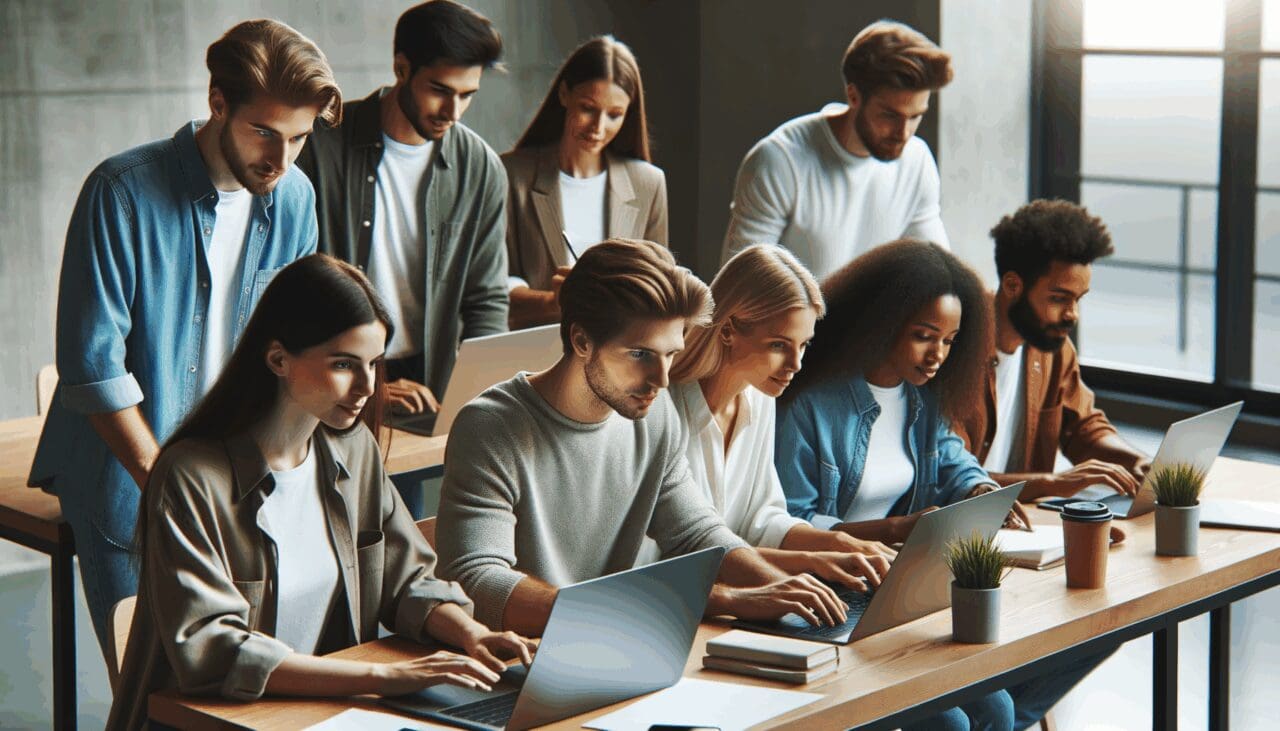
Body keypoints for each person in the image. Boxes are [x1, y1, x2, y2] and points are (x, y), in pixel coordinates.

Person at [106, 255, 535, 730]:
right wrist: (383, 676)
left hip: (316, 716)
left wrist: (472, 635)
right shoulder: (189, 477)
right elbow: (216, 652)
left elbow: (407, 579)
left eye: (374, 364)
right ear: (277, 359)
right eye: (343, 365)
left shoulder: (354, 451)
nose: (367, 387)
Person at [27, 19, 341, 658]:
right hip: (128, 476)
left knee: (242, 684)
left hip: (235, 478)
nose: (280, 161)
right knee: (150, 686)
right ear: (217, 104)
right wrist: (165, 484)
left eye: (300, 139)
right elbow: (92, 365)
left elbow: (291, 347)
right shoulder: (120, 192)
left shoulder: (297, 197)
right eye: (264, 133)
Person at [435, 239, 849, 637]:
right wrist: (727, 599)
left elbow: (697, 532)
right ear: (581, 341)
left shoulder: (654, 415)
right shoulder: (490, 427)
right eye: (640, 355)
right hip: (516, 659)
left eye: (671, 354)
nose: (662, 379)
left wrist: (784, 592)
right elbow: (477, 580)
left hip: (627, 638)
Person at [776, 240, 1095, 731]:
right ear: (883, 325)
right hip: (829, 597)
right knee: (955, 723)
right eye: (925, 336)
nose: (938, 356)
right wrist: (899, 527)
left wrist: (978, 490)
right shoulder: (811, 405)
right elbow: (792, 524)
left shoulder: (921, 398)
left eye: (949, 341)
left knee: (1002, 705)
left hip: (896, 588)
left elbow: (953, 460)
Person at [633, 244, 894, 589]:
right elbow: (684, 552)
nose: (795, 365)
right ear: (727, 330)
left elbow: (762, 520)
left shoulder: (760, 397)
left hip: (737, 594)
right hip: (673, 603)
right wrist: (811, 561)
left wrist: (838, 544)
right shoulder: (659, 408)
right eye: (778, 345)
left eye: (803, 345)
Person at [297, 0, 509, 423]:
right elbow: (289, 286)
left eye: (467, 95)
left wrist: (478, 397)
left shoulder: (480, 168)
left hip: (426, 383)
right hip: (327, 380)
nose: (453, 112)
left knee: (407, 492)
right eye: (440, 90)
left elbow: (485, 300)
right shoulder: (318, 147)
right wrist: (364, 377)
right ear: (401, 68)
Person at [721, 20, 953, 280]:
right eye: (889, 115)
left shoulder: (916, 160)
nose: (904, 133)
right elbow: (738, 292)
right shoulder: (779, 161)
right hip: (794, 321)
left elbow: (940, 277)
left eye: (915, 116)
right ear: (853, 96)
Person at [953, 200, 1151, 501]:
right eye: (1059, 298)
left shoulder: (1053, 349)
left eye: (1078, 300)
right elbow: (950, 477)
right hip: (963, 531)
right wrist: (1051, 483)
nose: (1073, 315)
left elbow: (1083, 427)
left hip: (1026, 522)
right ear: (1012, 285)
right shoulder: (953, 349)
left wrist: (1134, 460)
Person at [503, 35, 667, 329]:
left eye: (615, 115)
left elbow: (659, 289)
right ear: (564, 94)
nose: (598, 128)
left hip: (620, 362)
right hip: (534, 357)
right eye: (588, 108)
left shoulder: (648, 183)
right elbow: (492, 289)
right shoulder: (511, 174)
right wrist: (553, 303)